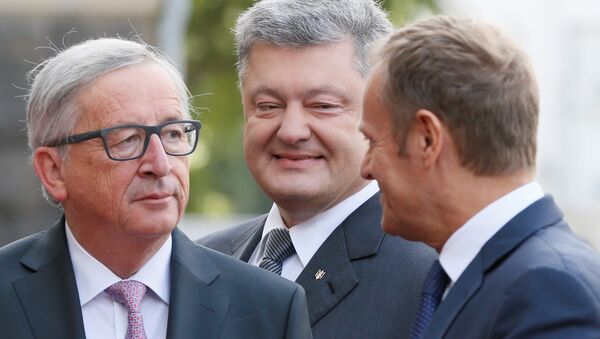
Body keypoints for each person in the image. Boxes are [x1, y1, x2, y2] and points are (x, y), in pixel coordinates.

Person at [0, 37, 312, 339]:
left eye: (173, 134)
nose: (160, 164)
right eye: (127, 139)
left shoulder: (268, 310)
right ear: (54, 171)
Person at [197, 1, 436, 338]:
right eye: (268, 106)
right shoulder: (199, 264)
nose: (292, 130)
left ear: (382, 112)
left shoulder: (431, 276)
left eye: (322, 106)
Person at [360, 15, 600, 339]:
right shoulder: (491, 275)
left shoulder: (548, 290)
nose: (366, 167)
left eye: (373, 141)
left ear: (427, 139)